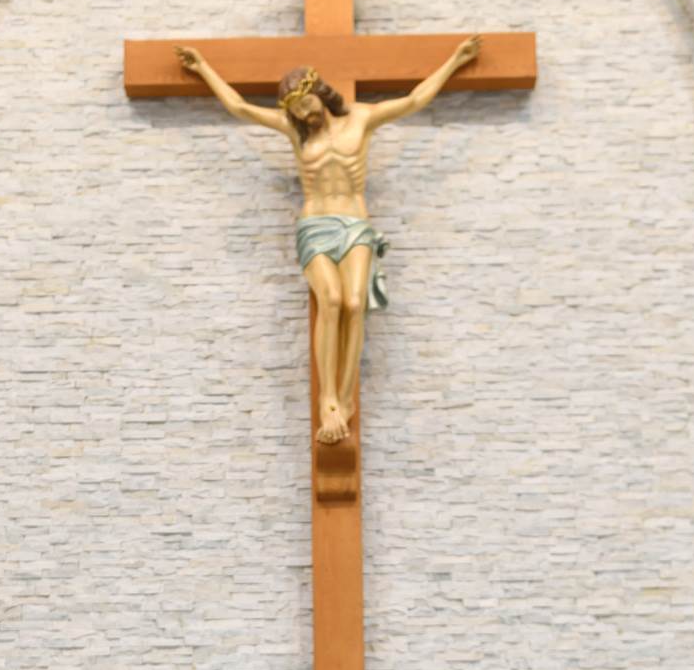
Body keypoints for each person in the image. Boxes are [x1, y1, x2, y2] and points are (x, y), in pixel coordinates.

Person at [174, 37, 481, 446]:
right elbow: (241, 108)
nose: (305, 115)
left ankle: (346, 399)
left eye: (307, 104)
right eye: (297, 111)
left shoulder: (362, 119)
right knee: (331, 300)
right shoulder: (295, 131)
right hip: (315, 225)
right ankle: (327, 400)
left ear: (320, 93)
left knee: (354, 303)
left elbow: (414, 100)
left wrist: (455, 61)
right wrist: (203, 69)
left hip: (355, 224)